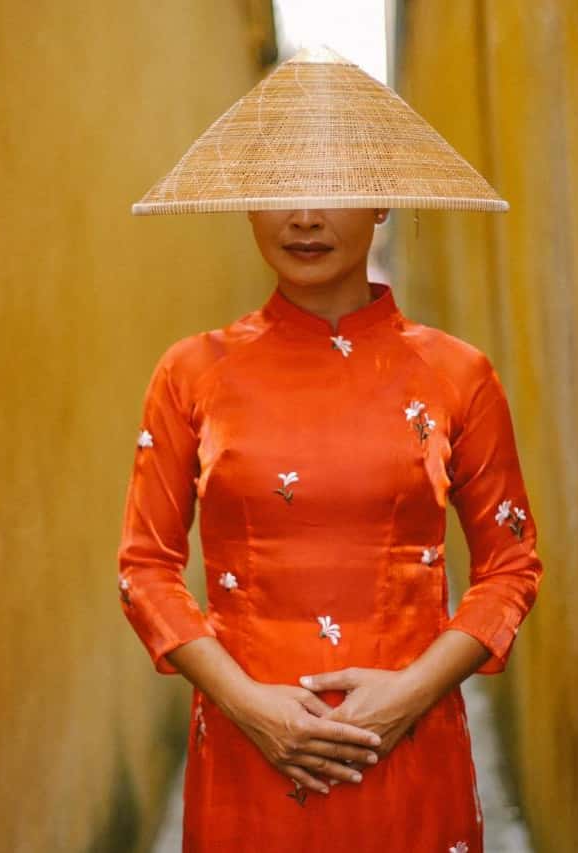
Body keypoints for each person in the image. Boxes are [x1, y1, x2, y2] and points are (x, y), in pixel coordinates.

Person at [118, 47, 543, 853]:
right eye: (279, 187)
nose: (303, 216)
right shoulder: (191, 373)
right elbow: (144, 567)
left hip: (410, 752)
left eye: (335, 183)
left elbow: (511, 567)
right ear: (247, 202)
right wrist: (249, 705)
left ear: (383, 196)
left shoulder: (459, 374)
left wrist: (407, 697)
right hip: (248, 757)